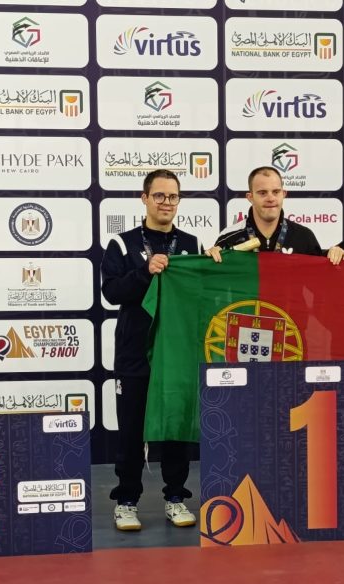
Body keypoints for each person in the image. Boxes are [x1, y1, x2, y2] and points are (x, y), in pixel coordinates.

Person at [100, 169, 204, 531]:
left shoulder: (192, 244)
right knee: (131, 430)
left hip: (176, 353)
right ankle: (126, 501)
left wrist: (213, 263)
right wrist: (146, 271)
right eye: (159, 196)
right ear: (144, 199)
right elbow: (112, 292)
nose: (166, 203)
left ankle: (176, 497)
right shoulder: (122, 243)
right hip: (134, 353)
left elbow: (202, 293)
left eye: (173, 196)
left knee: (176, 427)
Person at [209, 167, 344, 262]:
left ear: (283, 194)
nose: (270, 198)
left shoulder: (304, 236)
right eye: (262, 193)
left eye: (276, 192)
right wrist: (209, 259)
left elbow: (319, 280)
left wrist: (333, 254)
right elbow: (214, 284)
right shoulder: (229, 237)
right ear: (250, 197)